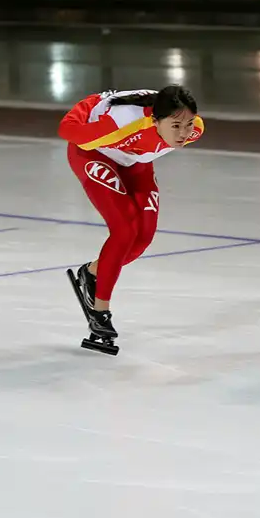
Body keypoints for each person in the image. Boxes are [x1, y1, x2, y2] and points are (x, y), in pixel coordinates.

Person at [58, 86, 204, 352]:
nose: (184, 133)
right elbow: (67, 130)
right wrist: (95, 107)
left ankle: (91, 273)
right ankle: (100, 312)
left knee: (143, 237)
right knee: (124, 231)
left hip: (135, 160)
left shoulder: (194, 129)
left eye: (188, 124)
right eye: (175, 126)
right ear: (154, 120)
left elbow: (170, 132)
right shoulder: (122, 122)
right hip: (94, 153)